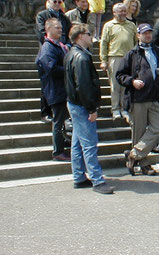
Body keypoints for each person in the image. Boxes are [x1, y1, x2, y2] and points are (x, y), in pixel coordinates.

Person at [116, 23, 159, 175]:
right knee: (139, 133)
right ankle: (143, 164)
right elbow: (119, 75)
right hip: (138, 99)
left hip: (156, 97)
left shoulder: (157, 51)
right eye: (144, 33)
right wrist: (132, 81)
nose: (148, 35)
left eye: (149, 33)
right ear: (138, 36)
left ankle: (133, 155)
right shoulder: (132, 54)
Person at [64, 23, 114, 194]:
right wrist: (92, 109)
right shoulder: (81, 58)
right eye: (88, 34)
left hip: (74, 103)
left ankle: (78, 176)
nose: (91, 36)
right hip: (81, 105)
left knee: (77, 143)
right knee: (89, 144)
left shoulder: (72, 53)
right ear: (79, 36)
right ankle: (97, 180)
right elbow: (83, 85)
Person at [35, 18, 70, 161]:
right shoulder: (48, 47)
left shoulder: (57, 45)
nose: (60, 30)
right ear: (48, 29)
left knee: (62, 120)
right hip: (55, 90)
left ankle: (62, 142)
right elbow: (51, 68)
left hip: (61, 89)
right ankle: (58, 151)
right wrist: (69, 69)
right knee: (58, 121)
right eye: (57, 28)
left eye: (61, 27)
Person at [99, 3, 136, 120]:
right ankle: (115, 109)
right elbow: (104, 43)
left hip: (129, 58)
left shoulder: (131, 25)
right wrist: (103, 60)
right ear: (114, 13)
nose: (123, 13)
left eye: (125, 10)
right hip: (114, 57)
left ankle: (124, 109)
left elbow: (136, 42)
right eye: (121, 11)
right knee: (115, 85)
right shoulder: (108, 25)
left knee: (126, 85)